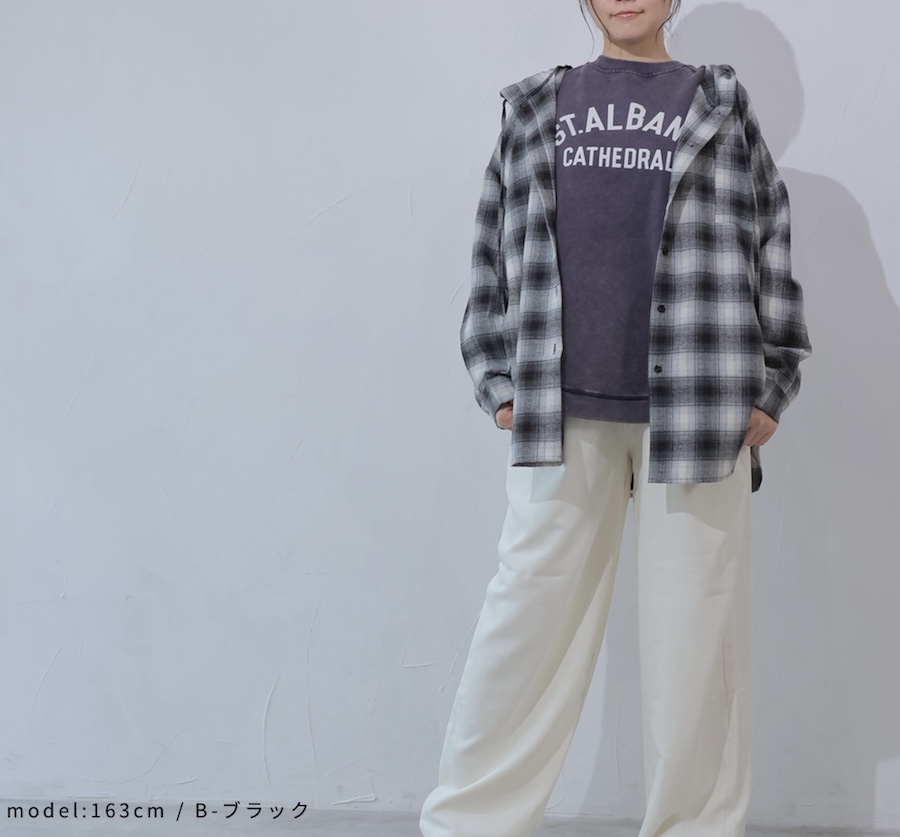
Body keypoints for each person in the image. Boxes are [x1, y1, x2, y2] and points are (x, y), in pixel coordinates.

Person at [419, 1, 811, 835]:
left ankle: (694, 825)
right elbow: (492, 242)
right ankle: (469, 822)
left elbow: (769, 234)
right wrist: (495, 373)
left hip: (702, 401)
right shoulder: (535, 105)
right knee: (526, 619)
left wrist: (774, 375)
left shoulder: (718, 102)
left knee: (697, 635)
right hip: (561, 406)